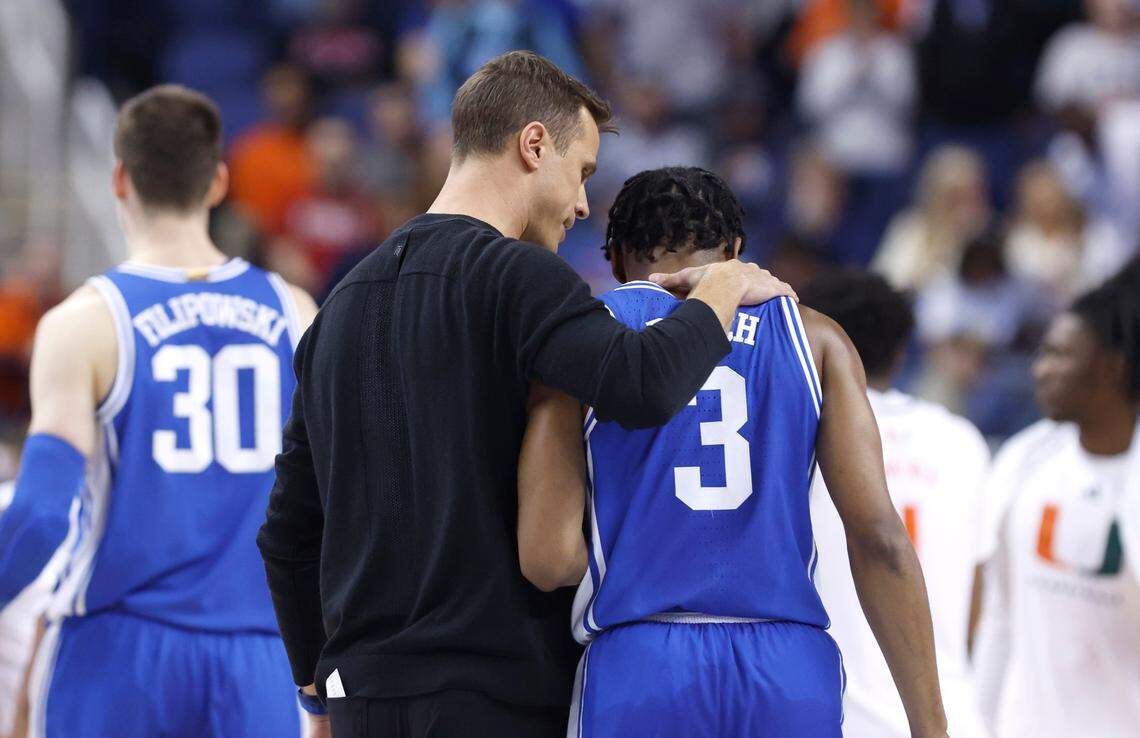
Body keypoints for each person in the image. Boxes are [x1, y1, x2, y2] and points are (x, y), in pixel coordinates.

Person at [256, 52, 796, 738]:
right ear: (533, 144)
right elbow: (644, 382)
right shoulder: (521, 277)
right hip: (493, 695)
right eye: (583, 173)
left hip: (365, 700)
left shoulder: (338, 308)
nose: (580, 203)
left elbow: (286, 535)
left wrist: (315, 692)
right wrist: (719, 285)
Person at [516, 167, 948, 737]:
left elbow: (548, 560)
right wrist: (930, 725)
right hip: (787, 667)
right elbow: (879, 538)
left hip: (643, 664)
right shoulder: (817, 338)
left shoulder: (585, 339)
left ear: (617, 260)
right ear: (737, 253)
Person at [0, 85, 318, 738]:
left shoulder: (85, 322)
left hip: (120, 649)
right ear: (219, 180)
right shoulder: (296, 313)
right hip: (259, 651)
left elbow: (36, 514)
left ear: (120, 178)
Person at [802, 269, 992, 738]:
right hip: (947, 713)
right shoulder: (962, 440)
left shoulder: (799, 434)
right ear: (903, 350)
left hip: (834, 715)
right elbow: (980, 600)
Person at [973, 270, 1140, 738]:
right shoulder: (1024, 459)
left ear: (1113, 367)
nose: (1039, 369)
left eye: (1060, 354)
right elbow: (999, 617)